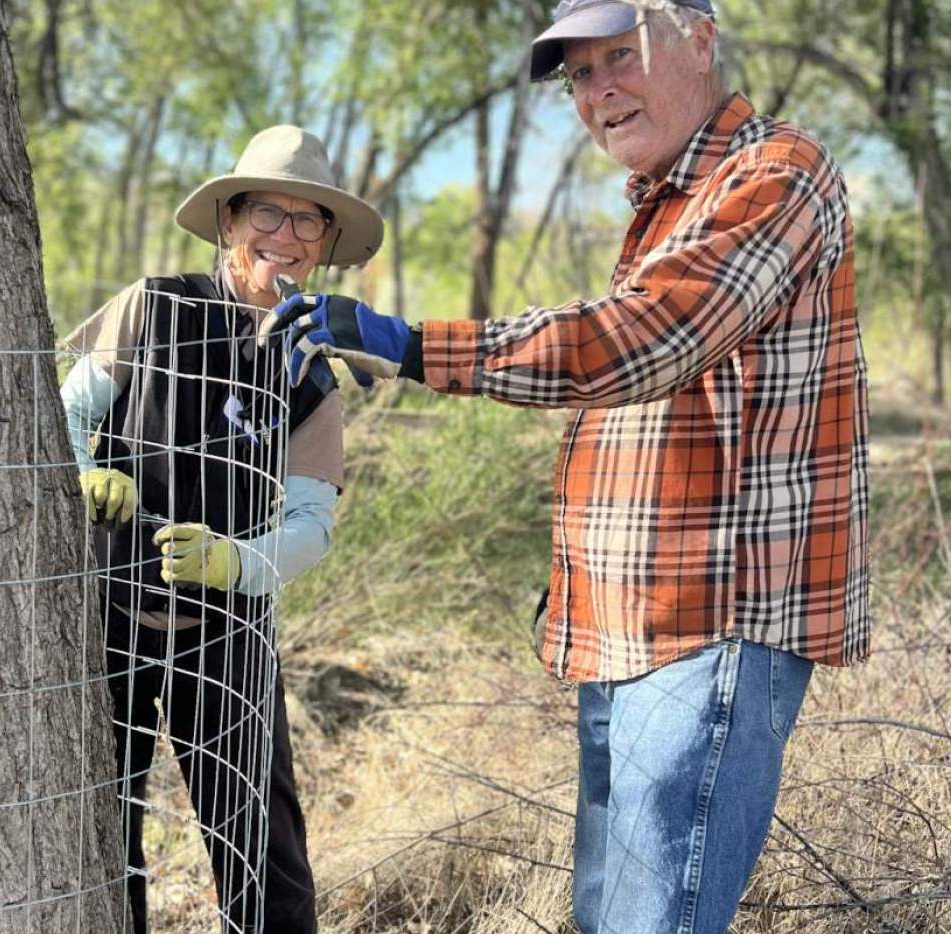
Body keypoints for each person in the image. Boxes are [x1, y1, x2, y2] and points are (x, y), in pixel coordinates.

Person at [267, 2, 870, 932]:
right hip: (627, 626)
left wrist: (412, 344)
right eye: (580, 76)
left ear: (698, 41)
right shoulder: (669, 201)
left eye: (619, 57)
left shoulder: (776, 174)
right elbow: (657, 417)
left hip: (709, 629)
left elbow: (646, 342)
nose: (600, 92)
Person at [60, 125, 384, 934]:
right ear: (231, 220)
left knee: (262, 846)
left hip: (228, 631)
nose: (285, 236)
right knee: (100, 833)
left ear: (325, 244)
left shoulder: (312, 372)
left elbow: (311, 526)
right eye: (268, 214)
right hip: (105, 615)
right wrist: (78, 480)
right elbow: (61, 418)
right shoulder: (153, 305)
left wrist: (234, 562)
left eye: (308, 221)